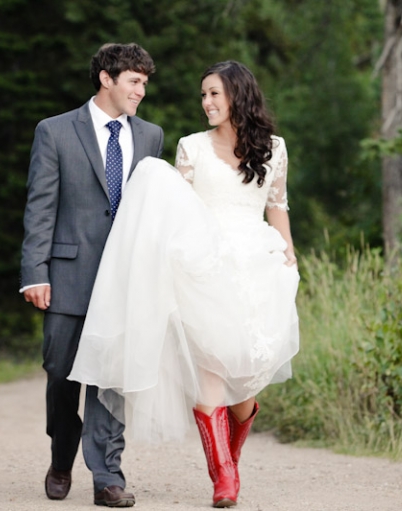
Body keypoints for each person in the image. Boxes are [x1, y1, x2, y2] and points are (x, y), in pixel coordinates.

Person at [69, 60, 300, 508]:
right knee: (211, 372)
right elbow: (176, 209)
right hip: (206, 268)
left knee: (245, 384)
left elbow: (277, 205)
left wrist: (289, 253)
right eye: (203, 94)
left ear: (238, 95)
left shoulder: (275, 148)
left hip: (258, 266)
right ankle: (223, 479)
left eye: (214, 93)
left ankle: (230, 458)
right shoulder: (191, 147)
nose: (206, 102)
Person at [19, 43, 164, 508]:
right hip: (67, 276)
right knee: (60, 376)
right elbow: (40, 207)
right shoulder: (55, 131)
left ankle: (107, 477)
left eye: (145, 83)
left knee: (112, 379)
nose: (141, 91)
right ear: (106, 78)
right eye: (134, 81)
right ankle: (61, 456)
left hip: (125, 281)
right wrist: (34, 272)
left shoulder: (151, 136)